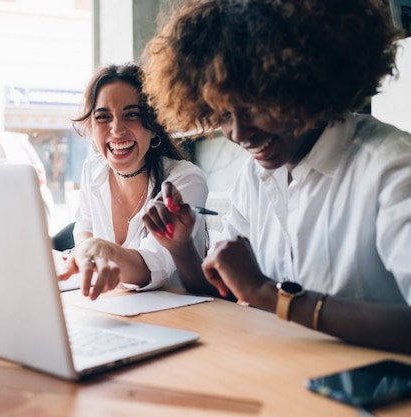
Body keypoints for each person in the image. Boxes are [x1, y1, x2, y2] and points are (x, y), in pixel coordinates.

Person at [141, 0, 411, 353]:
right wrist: (180, 248)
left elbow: (257, 292)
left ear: (305, 84)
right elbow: (228, 291)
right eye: (223, 114)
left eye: (255, 107)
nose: (238, 133)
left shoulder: (392, 168)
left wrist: (271, 295)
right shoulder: (254, 176)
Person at [56, 63, 210, 300]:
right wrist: (87, 250)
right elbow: (84, 226)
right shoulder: (93, 169)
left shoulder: (184, 180)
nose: (117, 130)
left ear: (154, 125)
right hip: (114, 307)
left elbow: (154, 265)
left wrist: (104, 251)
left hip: (180, 315)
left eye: (131, 115)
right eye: (103, 117)